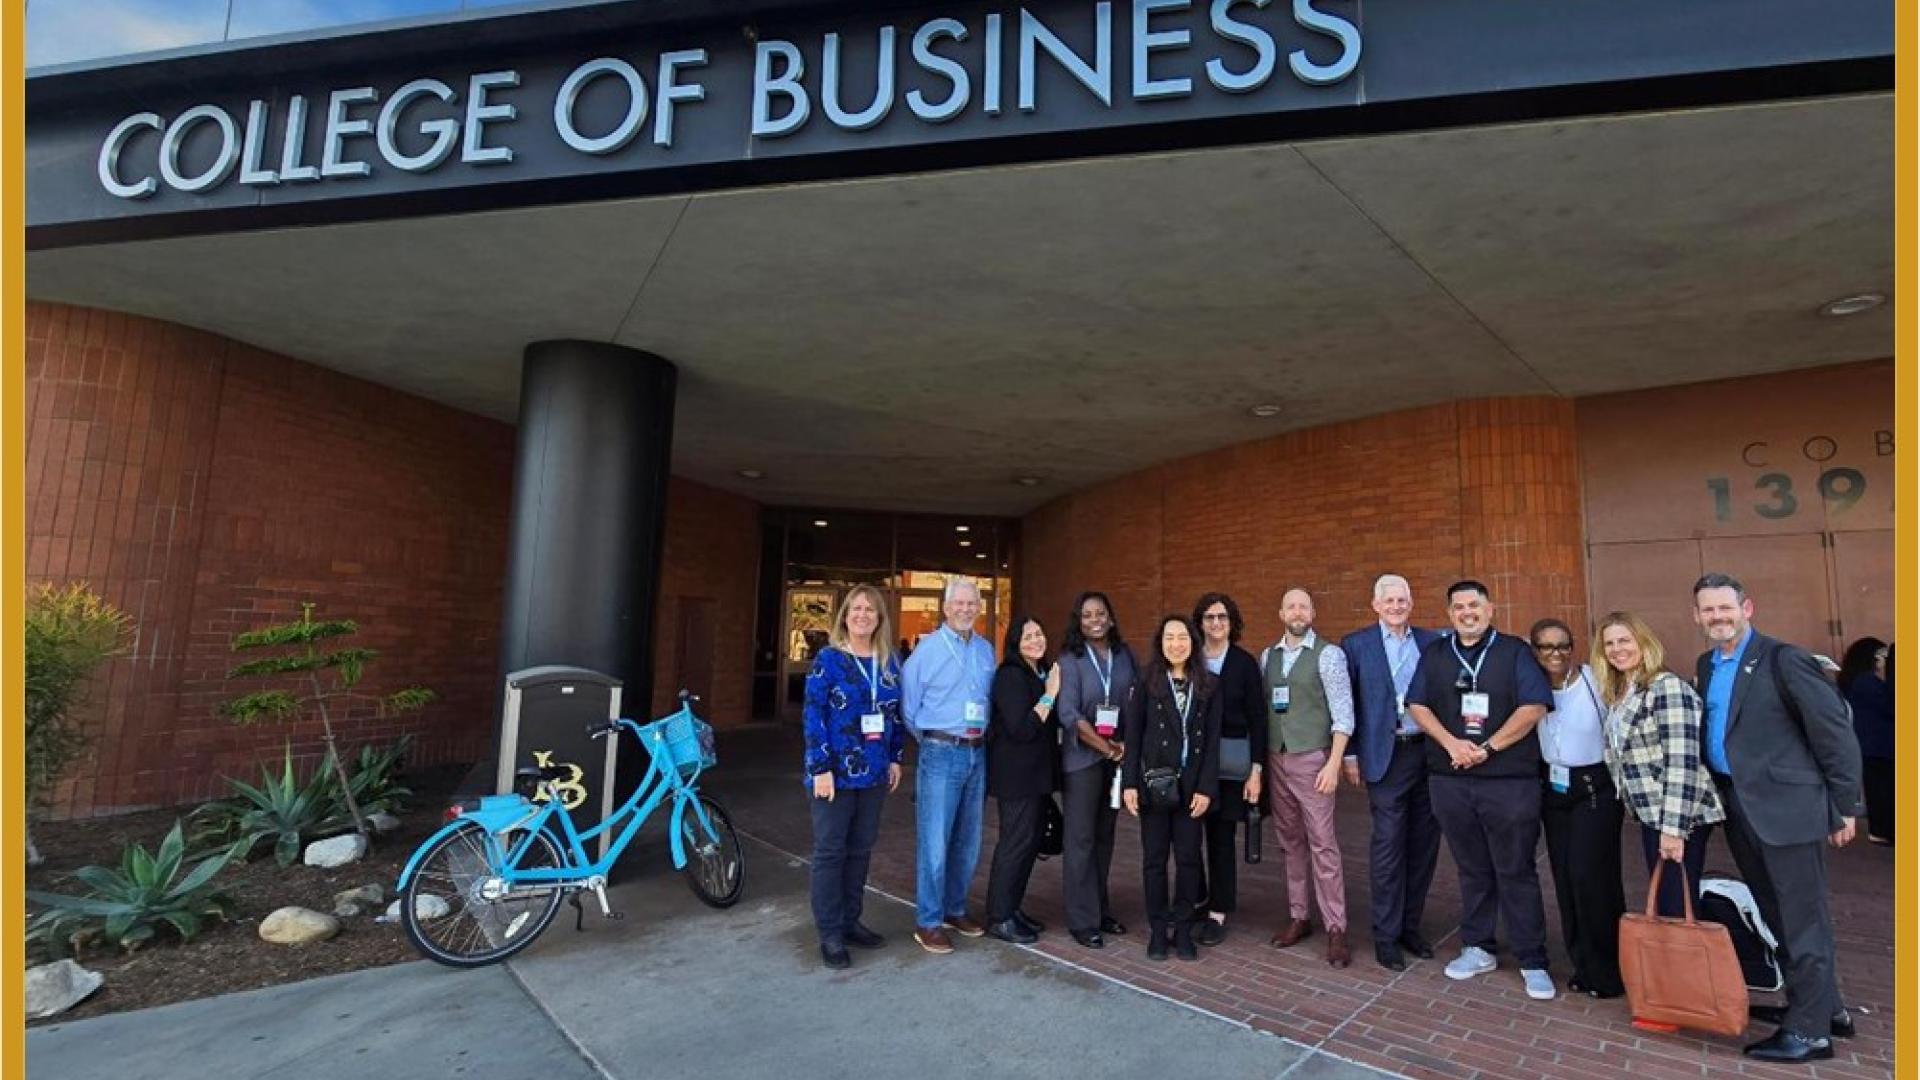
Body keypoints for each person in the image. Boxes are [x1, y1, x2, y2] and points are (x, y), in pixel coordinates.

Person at [1692, 572, 1863, 1062]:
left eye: (1725, 607)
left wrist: (1844, 806)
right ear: (1697, 616)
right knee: (1774, 914)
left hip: (1789, 810)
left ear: (1748, 608)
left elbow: (1833, 734)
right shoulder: (1707, 665)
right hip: (1740, 807)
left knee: (1802, 920)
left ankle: (1810, 1034)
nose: (1717, 617)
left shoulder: (1786, 660)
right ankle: (1820, 1008)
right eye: (1708, 610)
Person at [1405, 580, 1556, 1001]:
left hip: (1508, 781)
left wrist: (1487, 748)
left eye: (1474, 605)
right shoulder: (1435, 653)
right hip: (1450, 780)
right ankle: (1478, 946)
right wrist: (1452, 744)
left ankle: (1532, 958)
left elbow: (1534, 708)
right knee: (1471, 868)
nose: (1467, 612)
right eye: (1458, 607)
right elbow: (1417, 704)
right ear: (1449, 613)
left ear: (1490, 609)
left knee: (1516, 869)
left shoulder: (1515, 652)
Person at [1339, 574, 1443, 971]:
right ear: (1376, 605)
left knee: (1423, 845)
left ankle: (1410, 928)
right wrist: (1349, 754)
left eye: (1403, 600)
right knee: (1388, 845)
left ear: (1411, 603)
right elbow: (1345, 704)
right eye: (1390, 601)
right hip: (1385, 756)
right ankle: (1385, 935)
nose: (1397, 607)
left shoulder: (1432, 642)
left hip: (1427, 754)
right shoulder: (1356, 645)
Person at [1591, 611, 1722, 922]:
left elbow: (1682, 761)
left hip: (1678, 814)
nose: (1616, 649)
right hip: (1652, 812)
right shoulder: (1623, 691)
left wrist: (1673, 831)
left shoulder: (1666, 688)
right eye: (1609, 643)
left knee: (1677, 906)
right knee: (1668, 899)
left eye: (1625, 640)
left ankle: (1689, 969)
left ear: (1644, 642)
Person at [802, 585, 905, 970]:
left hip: (875, 773)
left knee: (861, 849)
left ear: (880, 619)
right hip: (835, 774)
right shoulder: (828, 660)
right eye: (856, 609)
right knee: (831, 851)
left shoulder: (889, 662)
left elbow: (894, 715)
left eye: (870, 610)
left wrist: (895, 758)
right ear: (845, 615)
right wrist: (820, 768)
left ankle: (850, 920)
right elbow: (813, 717)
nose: (863, 615)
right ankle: (829, 931)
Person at [1258, 587, 1356, 968]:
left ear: (1312, 612)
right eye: (1291, 606)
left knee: (1323, 843)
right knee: (1290, 841)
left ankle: (1336, 925)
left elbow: (1343, 712)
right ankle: (1300, 915)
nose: (1297, 612)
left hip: (1313, 758)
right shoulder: (1268, 656)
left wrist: (1334, 763)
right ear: (1281, 613)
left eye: (1304, 606)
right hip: (1277, 759)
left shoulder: (1329, 655)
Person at [1528, 618, 1625, 999]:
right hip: (1553, 790)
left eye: (1563, 646)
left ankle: (1609, 971)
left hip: (1595, 788)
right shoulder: (1530, 687)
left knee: (1592, 876)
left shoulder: (1595, 680)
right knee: (1565, 876)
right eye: (1546, 647)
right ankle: (1581, 963)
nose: (1556, 654)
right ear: (1534, 650)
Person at [900, 578, 997, 955]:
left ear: (979, 608)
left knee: (968, 840)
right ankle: (928, 920)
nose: (965, 609)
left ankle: (955, 909)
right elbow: (909, 710)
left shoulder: (986, 651)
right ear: (945, 607)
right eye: (958, 603)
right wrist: (934, 740)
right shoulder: (926, 652)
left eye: (971, 604)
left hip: (977, 751)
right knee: (935, 842)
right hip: (941, 751)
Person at [1121, 614, 1221, 962]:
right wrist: (1129, 783)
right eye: (1169, 638)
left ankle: (1182, 929)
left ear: (1193, 642)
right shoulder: (1146, 681)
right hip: (1154, 785)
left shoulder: (1209, 684)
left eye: (1182, 637)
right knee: (1154, 861)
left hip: (1192, 788)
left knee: (1190, 860)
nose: (1176, 644)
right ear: (1160, 644)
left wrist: (1207, 788)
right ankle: (1158, 930)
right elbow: (1132, 737)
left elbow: (1211, 743)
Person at [1054, 591, 1135, 948]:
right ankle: (1081, 920)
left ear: (1111, 618)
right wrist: (1107, 748)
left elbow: (1135, 700)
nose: (1094, 620)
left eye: (1100, 613)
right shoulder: (1070, 659)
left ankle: (1100, 910)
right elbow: (1069, 714)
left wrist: (1127, 744)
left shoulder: (1124, 655)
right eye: (1087, 615)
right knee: (1081, 840)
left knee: (1104, 838)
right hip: (1082, 761)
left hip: (1115, 758)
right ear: (1078, 620)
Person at [1191, 592, 1266, 947]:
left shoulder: (1244, 663)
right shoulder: (1189, 660)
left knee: (1220, 838)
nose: (1216, 623)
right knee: (1190, 835)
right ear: (1200, 623)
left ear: (1231, 622)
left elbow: (1258, 719)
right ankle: (1197, 898)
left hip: (1229, 763)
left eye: (1222, 617)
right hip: (1191, 762)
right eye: (1209, 617)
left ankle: (1219, 909)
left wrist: (1256, 769)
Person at [984, 614, 1062, 944]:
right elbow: (1022, 727)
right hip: (1016, 778)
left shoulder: (1038, 672)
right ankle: (999, 917)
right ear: (1015, 643)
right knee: (1014, 845)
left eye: (1039, 633)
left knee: (1029, 845)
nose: (1036, 640)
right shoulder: (1011, 676)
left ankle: (1012, 908)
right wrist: (1051, 694)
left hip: (1037, 776)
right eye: (1028, 636)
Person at [1839, 637, 1894, 845]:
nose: (1883, 660)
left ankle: (1881, 829)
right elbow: (1890, 705)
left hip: (1871, 743)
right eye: (1881, 655)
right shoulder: (1866, 682)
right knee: (1882, 789)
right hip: (1877, 744)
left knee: (1879, 787)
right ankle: (1881, 830)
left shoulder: (1859, 680)